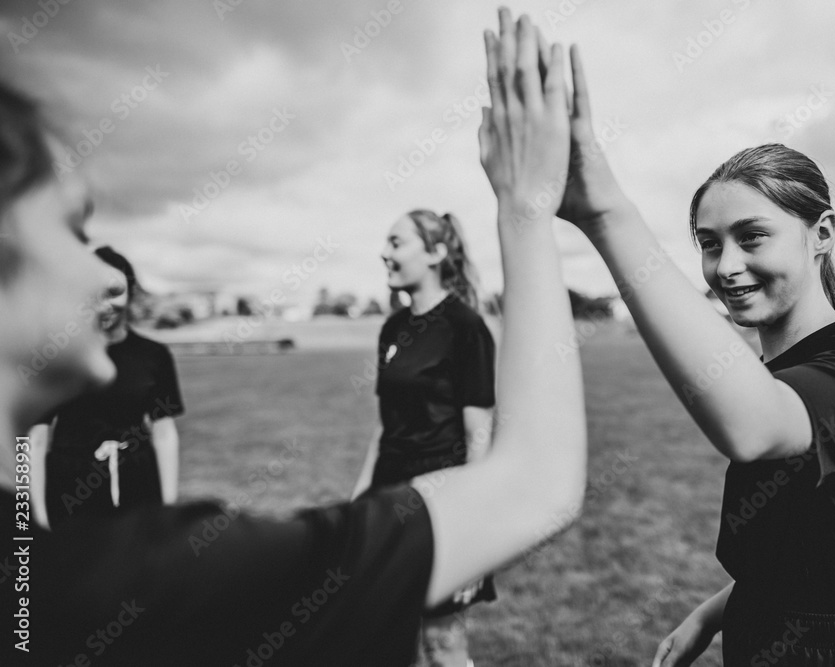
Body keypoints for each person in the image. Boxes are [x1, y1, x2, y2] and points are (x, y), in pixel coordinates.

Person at [0, 10, 585, 666]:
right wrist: (527, 206)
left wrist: (34, 540)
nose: (102, 274)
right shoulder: (128, 582)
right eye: (74, 232)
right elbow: (538, 484)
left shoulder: (38, 581)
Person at [535, 44, 835, 665]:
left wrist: (607, 214)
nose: (726, 267)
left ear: (821, 234)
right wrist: (712, 614)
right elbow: (815, 550)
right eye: (708, 244)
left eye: (752, 237)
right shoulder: (780, 375)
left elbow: (750, 430)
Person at [352, 210, 497, 666]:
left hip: (442, 500)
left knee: (443, 641)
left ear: (435, 252)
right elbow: (385, 424)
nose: (384, 252)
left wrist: (472, 522)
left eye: (396, 242)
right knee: (384, 634)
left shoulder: (465, 326)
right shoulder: (391, 329)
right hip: (387, 494)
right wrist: (360, 496)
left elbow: (480, 432)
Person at [32, 246, 183, 529]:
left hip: (139, 487)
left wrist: (168, 510)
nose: (105, 303)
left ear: (131, 292)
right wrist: (33, 519)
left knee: (136, 572)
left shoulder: (154, 356)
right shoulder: (55, 354)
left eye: (115, 291)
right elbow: (34, 441)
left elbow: (164, 434)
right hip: (68, 491)